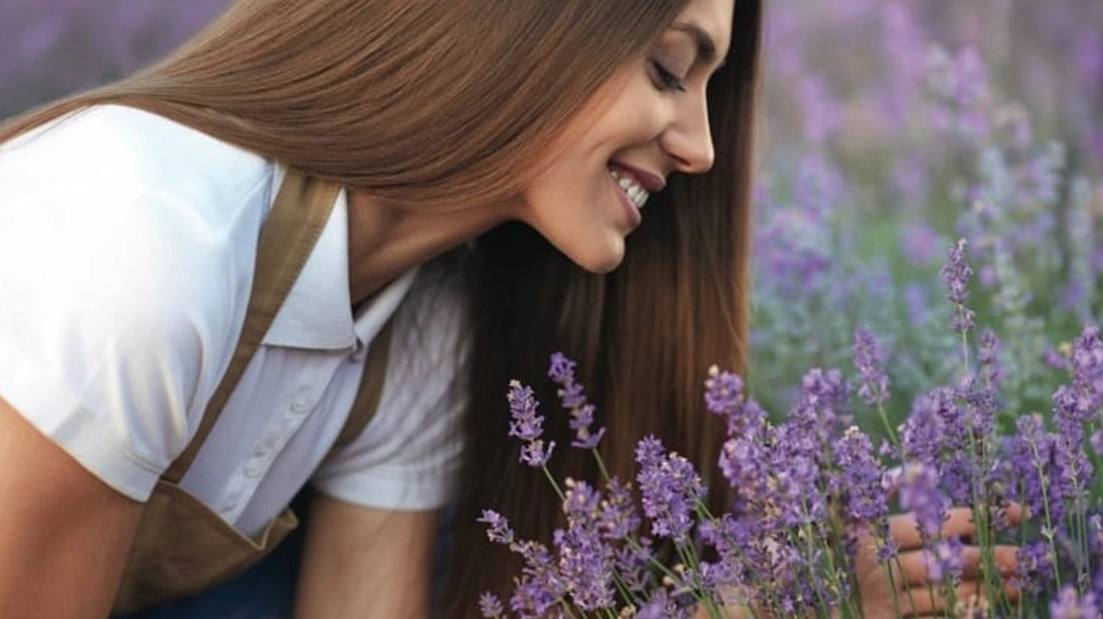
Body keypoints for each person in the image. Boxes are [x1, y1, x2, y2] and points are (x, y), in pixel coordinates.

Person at [0, 0, 1017, 617]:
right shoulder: (146, 244)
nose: (699, 146)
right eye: (668, 67)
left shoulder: (413, 326)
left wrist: (778, 600)